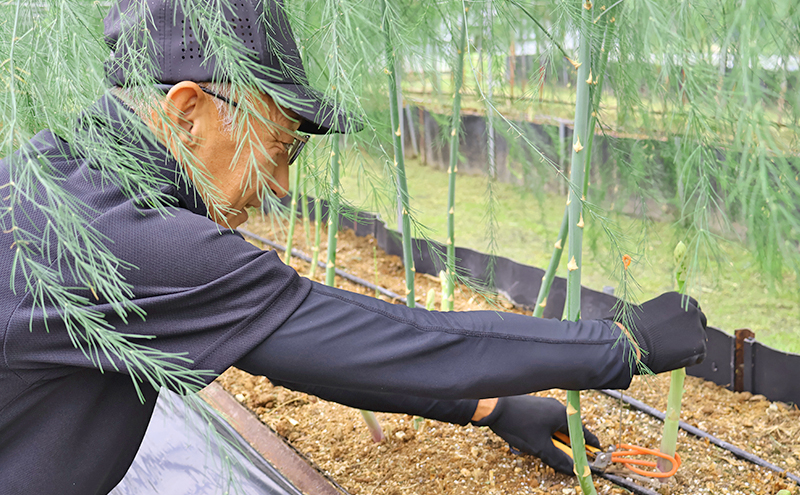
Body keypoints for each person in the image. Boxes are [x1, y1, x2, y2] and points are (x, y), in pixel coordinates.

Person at [0, 1, 707, 494]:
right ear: (188, 111)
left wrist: (490, 407)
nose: (280, 184)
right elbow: (387, 342)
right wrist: (623, 343)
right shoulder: (129, 240)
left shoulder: (55, 175)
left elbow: (308, 349)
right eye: (279, 145)